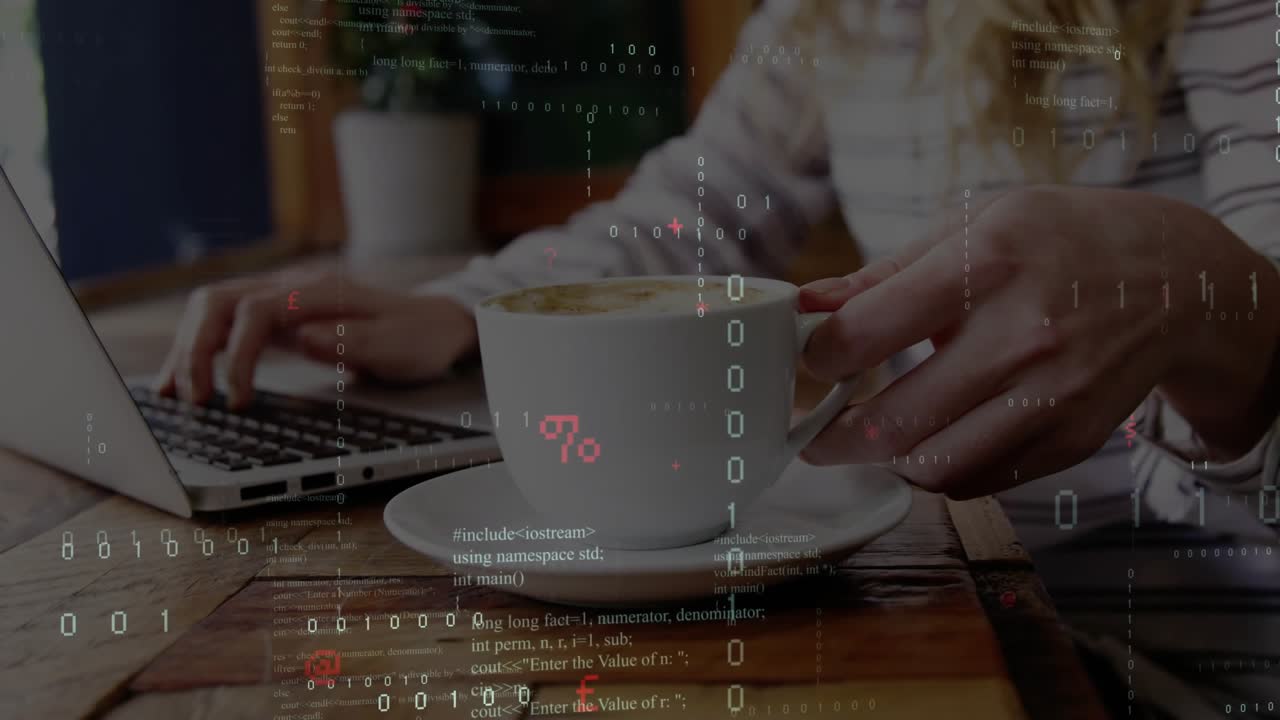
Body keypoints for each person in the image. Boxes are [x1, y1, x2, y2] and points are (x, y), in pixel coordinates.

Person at [157, 1, 1279, 714]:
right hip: (949, 627)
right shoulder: (832, 18)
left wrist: (1215, 302)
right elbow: (679, 222)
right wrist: (456, 309)